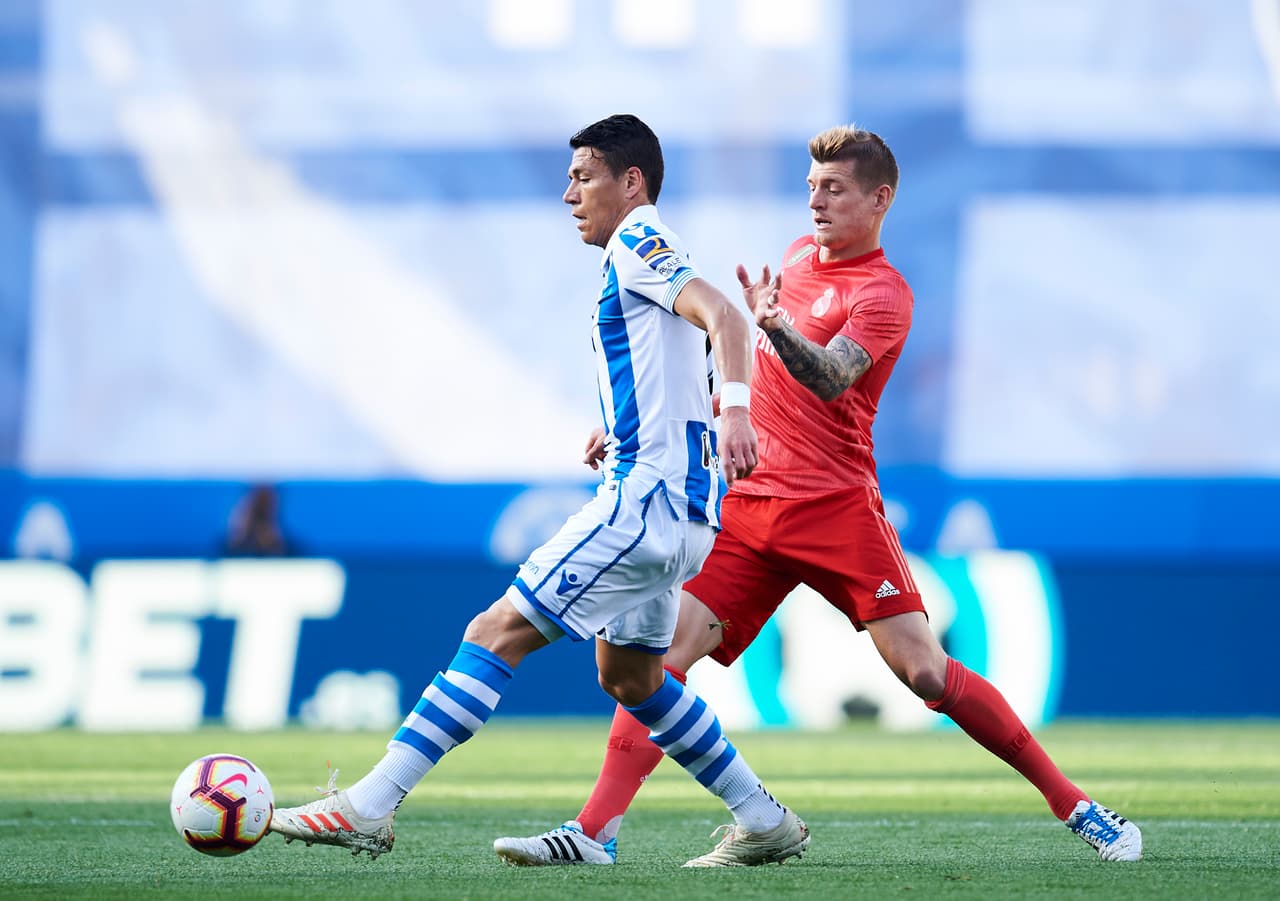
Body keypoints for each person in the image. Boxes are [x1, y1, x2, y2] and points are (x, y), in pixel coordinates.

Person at [493, 125, 1143, 866]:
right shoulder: (799, 260)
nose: (817, 203)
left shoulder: (885, 294)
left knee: (925, 672)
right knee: (659, 661)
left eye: (834, 189)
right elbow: (741, 372)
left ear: (881, 198)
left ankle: (1078, 806)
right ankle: (595, 831)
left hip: (835, 507)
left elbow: (832, 375)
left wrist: (772, 324)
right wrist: (648, 422)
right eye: (811, 188)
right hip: (748, 505)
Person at [268, 114, 810, 868]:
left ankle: (369, 803)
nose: (568, 194)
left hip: (643, 503)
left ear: (631, 183)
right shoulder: (646, 254)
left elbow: (724, 316)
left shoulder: (641, 241)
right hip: (684, 515)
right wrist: (620, 427)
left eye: (583, 176)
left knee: (495, 630)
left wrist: (738, 414)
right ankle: (762, 816)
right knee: (631, 675)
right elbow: (686, 360)